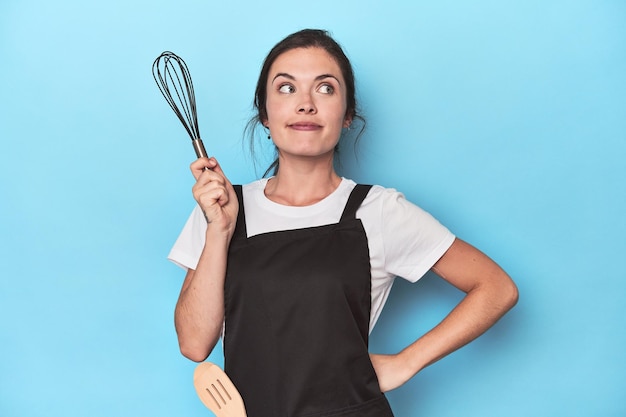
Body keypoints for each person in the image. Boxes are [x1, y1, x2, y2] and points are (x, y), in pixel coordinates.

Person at [168, 29, 518, 417]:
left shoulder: (379, 211)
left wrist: (406, 362)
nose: (305, 104)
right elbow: (194, 345)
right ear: (265, 114)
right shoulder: (221, 208)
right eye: (286, 88)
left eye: (325, 89)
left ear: (347, 114)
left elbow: (496, 288)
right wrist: (218, 231)